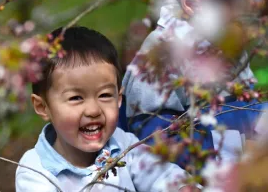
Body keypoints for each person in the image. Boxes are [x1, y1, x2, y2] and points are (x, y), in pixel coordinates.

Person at [122, 0, 268, 167]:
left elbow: (248, 107)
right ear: (194, 6)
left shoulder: (225, 41)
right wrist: (231, 150)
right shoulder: (161, 55)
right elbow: (153, 140)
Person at [15, 26, 195, 192]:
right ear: (42, 107)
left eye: (105, 95)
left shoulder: (124, 145)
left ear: (119, 98)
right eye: (76, 98)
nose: (93, 110)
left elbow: (163, 176)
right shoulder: (36, 172)